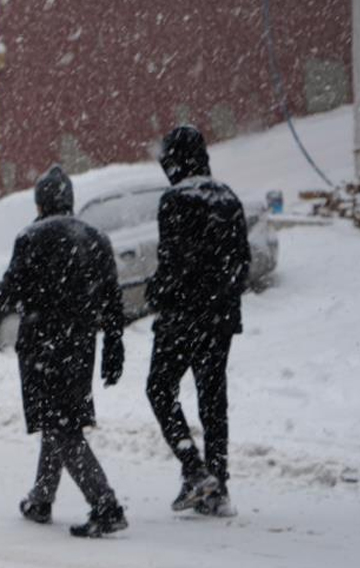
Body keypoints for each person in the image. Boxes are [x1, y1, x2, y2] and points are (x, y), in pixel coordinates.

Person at [0, 165, 127, 538]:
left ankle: (105, 504)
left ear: (40, 202)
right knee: (61, 422)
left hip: (42, 346)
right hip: (81, 345)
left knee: (61, 427)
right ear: (69, 200)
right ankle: (41, 498)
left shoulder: (32, 238)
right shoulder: (95, 238)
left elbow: (11, 288)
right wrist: (114, 344)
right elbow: (112, 300)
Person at [145, 126, 250, 517]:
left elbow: (173, 261)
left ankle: (193, 467)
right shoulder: (227, 197)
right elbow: (241, 261)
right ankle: (217, 485)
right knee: (212, 398)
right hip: (220, 317)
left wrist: (159, 295)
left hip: (182, 316)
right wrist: (224, 295)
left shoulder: (175, 200)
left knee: (159, 388)